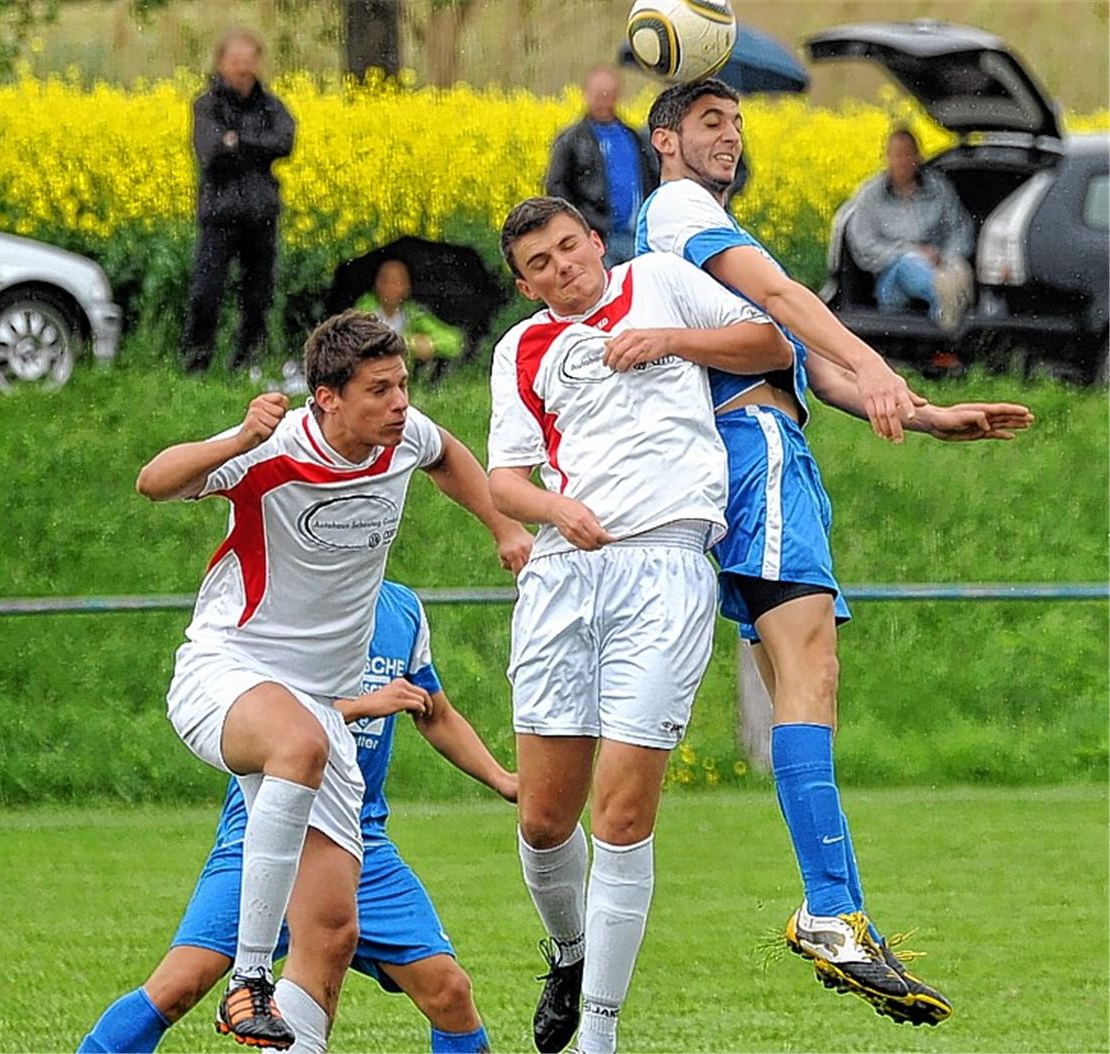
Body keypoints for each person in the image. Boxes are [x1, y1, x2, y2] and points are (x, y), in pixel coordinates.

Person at [634, 77, 1033, 1026]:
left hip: (756, 452)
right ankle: (831, 911)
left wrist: (924, 417)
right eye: (708, 123)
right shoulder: (682, 207)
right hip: (757, 454)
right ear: (665, 140)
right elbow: (780, 304)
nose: (728, 138)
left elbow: (789, 350)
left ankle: (833, 910)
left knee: (798, 678)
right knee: (808, 674)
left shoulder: (689, 240)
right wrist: (886, 368)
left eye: (736, 123)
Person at [136, 310, 532, 1049]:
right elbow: (153, 482)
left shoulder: (402, 436)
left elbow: (447, 454)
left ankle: (280, 1011)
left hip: (317, 712)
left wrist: (503, 527)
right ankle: (248, 980)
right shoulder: (272, 451)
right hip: (227, 672)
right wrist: (238, 438)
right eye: (379, 390)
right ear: (327, 398)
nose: (399, 403)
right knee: (296, 744)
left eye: (403, 385)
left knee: (331, 932)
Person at [488, 196, 794, 1054]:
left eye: (568, 249)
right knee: (546, 820)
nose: (562, 269)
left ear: (594, 240)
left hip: (664, 571)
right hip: (563, 576)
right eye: (540, 265)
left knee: (622, 818)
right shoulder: (522, 350)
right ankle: (569, 953)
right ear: (524, 284)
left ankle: (600, 1034)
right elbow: (505, 480)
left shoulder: (660, 281)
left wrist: (672, 341)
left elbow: (774, 343)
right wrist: (558, 509)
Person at [78, 580, 516, 1054]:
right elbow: (269, 714)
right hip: (266, 827)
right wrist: (362, 706)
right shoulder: (289, 603)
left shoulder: (403, 609)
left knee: (449, 991)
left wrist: (503, 779)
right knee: (180, 985)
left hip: (361, 840)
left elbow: (435, 713)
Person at [180, 28, 295, 374]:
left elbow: (285, 142)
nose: (243, 69)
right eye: (235, 61)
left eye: (249, 61)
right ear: (220, 63)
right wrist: (254, 146)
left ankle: (246, 364)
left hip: (260, 214)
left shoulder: (271, 105)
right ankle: (195, 363)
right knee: (206, 293)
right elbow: (211, 153)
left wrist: (237, 141)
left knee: (258, 297)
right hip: (220, 214)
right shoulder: (206, 105)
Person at [846, 127, 975, 330]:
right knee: (910, 265)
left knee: (957, 271)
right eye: (897, 155)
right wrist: (910, 252)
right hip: (890, 277)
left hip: (940, 264)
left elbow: (960, 230)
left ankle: (943, 337)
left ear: (918, 156)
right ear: (887, 157)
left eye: (908, 154)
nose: (903, 161)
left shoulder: (938, 188)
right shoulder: (870, 195)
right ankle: (946, 299)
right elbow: (864, 245)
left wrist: (945, 257)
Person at [545, 67, 658, 267]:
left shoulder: (633, 136)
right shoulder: (572, 139)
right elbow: (556, 187)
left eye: (609, 94)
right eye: (599, 95)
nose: (604, 100)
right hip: (600, 237)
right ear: (586, 94)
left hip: (638, 237)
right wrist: (583, 225)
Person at [355, 260, 465, 385]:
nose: (390, 287)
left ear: (406, 287)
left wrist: (431, 344)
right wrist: (409, 344)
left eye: (397, 282)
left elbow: (454, 342)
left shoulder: (413, 314)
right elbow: (357, 343)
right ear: (377, 284)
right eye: (385, 281)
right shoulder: (364, 311)